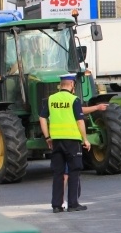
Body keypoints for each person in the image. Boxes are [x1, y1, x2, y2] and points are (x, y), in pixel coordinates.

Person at [39, 74, 91, 213]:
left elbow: (42, 118)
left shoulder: (51, 99)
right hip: (72, 141)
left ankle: (56, 205)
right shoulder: (74, 100)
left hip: (56, 141)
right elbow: (80, 121)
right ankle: (73, 204)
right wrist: (85, 139)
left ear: (61, 85)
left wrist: (47, 137)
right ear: (72, 85)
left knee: (58, 173)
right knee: (74, 171)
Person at [61, 103, 109, 204]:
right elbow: (80, 118)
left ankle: (60, 201)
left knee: (65, 171)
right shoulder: (71, 100)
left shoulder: (54, 101)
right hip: (72, 140)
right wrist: (85, 139)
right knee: (72, 170)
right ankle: (72, 202)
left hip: (59, 139)